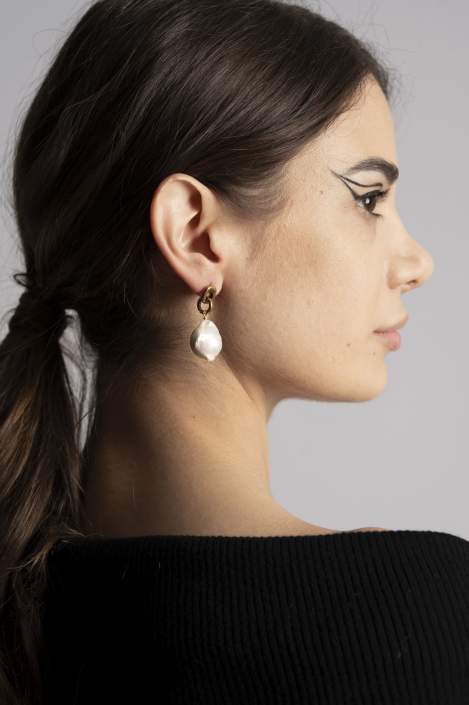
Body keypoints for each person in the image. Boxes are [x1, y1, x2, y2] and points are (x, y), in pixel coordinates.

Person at [0, 1, 467, 704]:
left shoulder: (28, 619)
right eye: (368, 198)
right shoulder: (409, 612)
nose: (416, 263)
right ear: (194, 233)